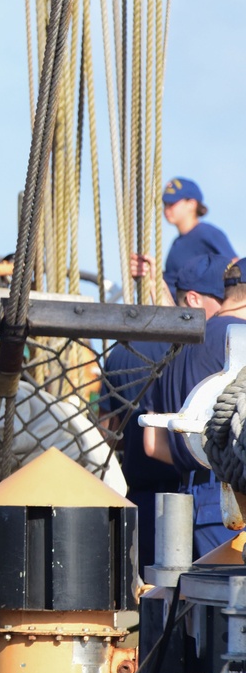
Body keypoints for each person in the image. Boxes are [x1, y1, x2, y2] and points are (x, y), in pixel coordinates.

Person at [142, 254, 244, 557]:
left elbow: (152, 444)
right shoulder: (239, 341)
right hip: (232, 500)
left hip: (187, 505)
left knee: (192, 599)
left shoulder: (175, 349)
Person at [100, 339, 181, 573]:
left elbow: (107, 429)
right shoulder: (186, 347)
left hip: (138, 490)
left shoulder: (119, 354)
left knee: (145, 587)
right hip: (186, 487)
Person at [159, 179, 234, 296]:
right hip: (173, 310)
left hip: (195, 311)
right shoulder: (177, 242)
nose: (167, 209)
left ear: (192, 204)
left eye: (172, 203)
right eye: (165, 204)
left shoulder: (206, 233)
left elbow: (235, 267)